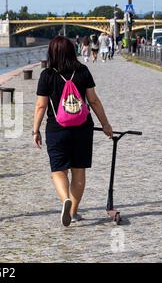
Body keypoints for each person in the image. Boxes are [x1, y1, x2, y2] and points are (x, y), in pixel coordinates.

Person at [33, 36, 113, 227]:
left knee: (58, 170)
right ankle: (73, 211)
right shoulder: (82, 71)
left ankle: (65, 201)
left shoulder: (47, 74)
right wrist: (105, 124)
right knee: (79, 171)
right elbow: (93, 100)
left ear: (51, 52)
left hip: (56, 128)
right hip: (82, 128)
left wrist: (35, 130)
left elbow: (40, 106)